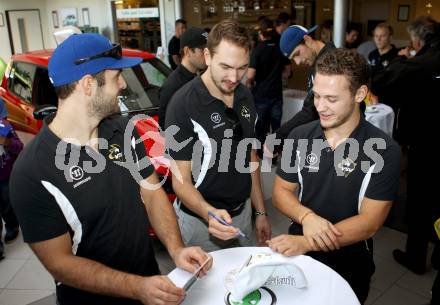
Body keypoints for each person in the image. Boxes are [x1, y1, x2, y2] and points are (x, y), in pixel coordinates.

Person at [9, 33, 212, 305]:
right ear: (88, 84)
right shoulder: (32, 172)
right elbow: (59, 263)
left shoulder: (124, 130)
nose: (123, 84)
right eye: (116, 76)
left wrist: (175, 249)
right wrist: (136, 287)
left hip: (148, 284)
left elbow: (152, 194)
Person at [269, 48, 401, 304]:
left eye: (331, 98)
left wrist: (308, 241)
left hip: (350, 261)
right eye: (316, 96)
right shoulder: (299, 136)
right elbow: (280, 192)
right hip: (299, 255)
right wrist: (307, 217)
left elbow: (370, 222)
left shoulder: (386, 150)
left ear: (359, 94)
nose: (320, 106)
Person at [165, 19, 271, 252]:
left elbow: (250, 156)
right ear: (207, 56)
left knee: (244, 285)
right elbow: (180, 181)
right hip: (200, 225)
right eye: (225, 67)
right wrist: (208, 213)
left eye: (242, 67)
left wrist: (260, 212)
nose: (234, 77)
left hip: (243, 216)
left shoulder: (245, 96)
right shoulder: (182, 104)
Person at [371, 16, 440, 275]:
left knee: (421, 201)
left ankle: (416, 256)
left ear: (417, 39)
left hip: (428, 143)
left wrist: (403, 58)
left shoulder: (421, 62)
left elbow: (383, 82)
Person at [273, 24, 335, 151]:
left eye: (297, 54)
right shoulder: (317, 62)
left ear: (307, 40)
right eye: (292, 59)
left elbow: (310, 112)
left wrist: (278, 137)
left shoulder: (330, 63)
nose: (297, 62)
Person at [246, 18, 291, 156]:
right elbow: (288, 71)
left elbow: (250, 74)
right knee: (276, 126)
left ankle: (260, 153)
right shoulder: (280, 47)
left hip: (261, 95)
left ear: (261, 33)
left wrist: (249, 83)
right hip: (277, 94)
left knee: (261, 127)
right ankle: (274, 154)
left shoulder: (258, 50)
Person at [158, 27, 208, 130]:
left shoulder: (199, 77)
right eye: (202, 50)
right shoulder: (173, 85)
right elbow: (164, 127)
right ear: (187, 51)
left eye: (208, 50)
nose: (207, 54)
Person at [0, 99, 22, 260]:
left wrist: (6, 142)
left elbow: (19, 146)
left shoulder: (4, 127)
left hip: (5, 175)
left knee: (7, 204)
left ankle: (12, 226)